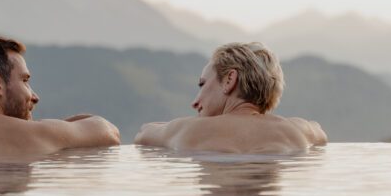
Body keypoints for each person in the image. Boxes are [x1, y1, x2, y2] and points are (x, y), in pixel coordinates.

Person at [135, 42, 326, 153]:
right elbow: (319, 132)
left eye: (203, 84)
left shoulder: (189, 130)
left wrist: (175, 126)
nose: (195, 102)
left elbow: (143, 134)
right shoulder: (297, 130)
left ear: (229, 80)